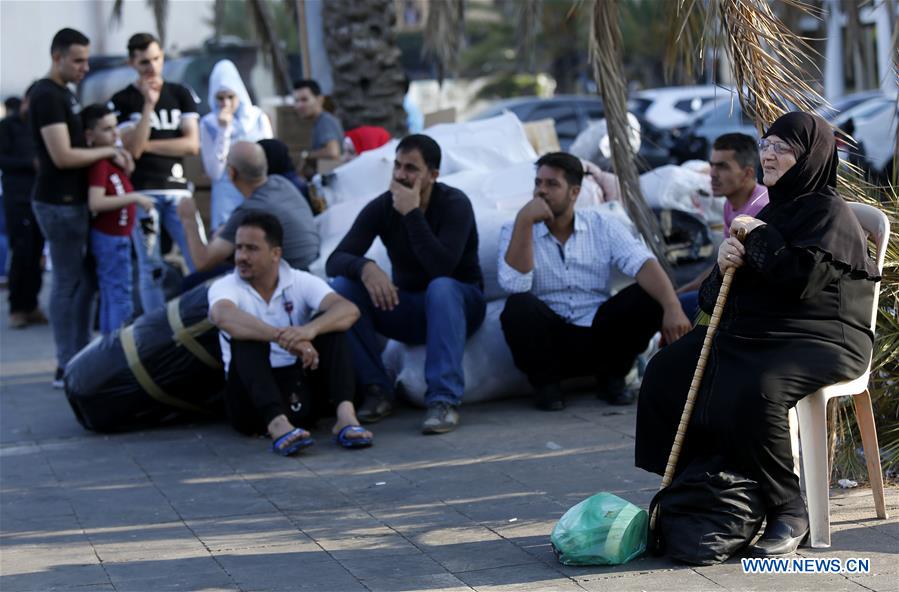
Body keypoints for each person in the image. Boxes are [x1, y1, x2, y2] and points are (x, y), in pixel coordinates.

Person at [635, 112, 879, 557]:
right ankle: (703, 480)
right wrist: (726, 260)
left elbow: (800, 282)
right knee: (668, 370)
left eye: (782, 148)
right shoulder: (770, 210)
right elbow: (715, 299)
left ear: (810, 157)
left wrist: (759, 239)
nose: (768, 152)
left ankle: (789, 508)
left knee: (759, 387)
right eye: (766, 142)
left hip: (825, 338)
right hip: (761, 334)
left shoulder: (829, 212)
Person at [498, 152, 691, 411]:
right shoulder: (515, 230)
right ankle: (546, 386)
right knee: (517, 306)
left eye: (552, 184)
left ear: (574, 192)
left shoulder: (602, 225)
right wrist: (524, 221)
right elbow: (514, 285)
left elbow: (642, 262)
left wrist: (672, 306)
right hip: (551, 341)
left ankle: (612, 379)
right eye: (538, 183)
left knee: (646, 297)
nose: (541, 191)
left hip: (600, 335)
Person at [326, 134, 485, 434]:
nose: (400, 175)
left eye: (411, 168)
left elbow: (442, 267)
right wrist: (365, 267)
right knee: (342, 289)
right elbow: (335, 259)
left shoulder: (455, 204)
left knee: (441, 287)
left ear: (433, 176)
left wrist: (412, 213)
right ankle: (377, 390)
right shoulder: (385, 206)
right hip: (410, 308)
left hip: (460, 305)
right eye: (397, 166)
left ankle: (443, 400)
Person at [208, 211, 370, 454]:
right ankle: (278, 425)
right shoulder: (225, 286)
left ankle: (346, 417)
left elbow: (348, 310)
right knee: (245, 337)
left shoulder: (300, 280)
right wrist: (282, 337)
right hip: (251, 400)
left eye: (251, 249)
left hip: (299, 386)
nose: (241, 256)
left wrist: (308, 331)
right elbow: (222, 315)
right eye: (239, 248)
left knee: (332, 327)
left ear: (276, 254)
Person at [30, 28, 129, 387]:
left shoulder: (64, 93)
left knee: (83, 282)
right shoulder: (47, 96)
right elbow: (63, 155)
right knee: (68, 284)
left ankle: (78, 357)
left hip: (73, 205)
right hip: (59, 206)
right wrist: (108, 151)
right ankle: (66, 364)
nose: (85, 67)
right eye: (78, 60)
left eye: (87, 59)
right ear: (57, 57)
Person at [110, 32, 202, 315]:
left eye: (156, 59)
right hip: (144, 196)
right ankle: (156, 328)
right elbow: (133, 151)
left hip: (178, 192)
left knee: (198, 257)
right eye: (144, 63)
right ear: (132, 63)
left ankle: (203, 315)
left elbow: (191, 144)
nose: (151, 67)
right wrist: (148, 105)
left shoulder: (180, 93)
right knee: (151, 266)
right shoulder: (123, 100)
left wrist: (146, 143)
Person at [177, 141, 319, 275]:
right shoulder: (281, 183)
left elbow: (202, 262)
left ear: (232, 173)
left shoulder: (251, 211)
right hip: (309, 270)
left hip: (283, 284)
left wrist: (189, 219)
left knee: (190, 291)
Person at [677, 133, 769, 319]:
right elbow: (721, 263)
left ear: (748, 174)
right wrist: (684, 289)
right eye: (711, 165)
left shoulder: (760, 209)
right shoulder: (730, 204)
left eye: (722, 167)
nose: (712, 174)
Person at [82, 104, 155, 334]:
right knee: (119, 296)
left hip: (118, 236)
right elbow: (96, 202)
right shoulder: (99, 164)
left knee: (114, 293)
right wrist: (133, 197)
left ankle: (110, 344)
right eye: (107, 130)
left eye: (115, 127)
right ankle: (117, 351)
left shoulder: (111, 159)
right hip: (110, 238)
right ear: (90, 135)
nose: (115, 134)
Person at [201, 59, 273, 230]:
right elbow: (214, 171)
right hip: (226, 196)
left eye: (230, 96)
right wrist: (223, 132)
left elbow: (269, 155)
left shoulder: (256, 117)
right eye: (220, 98)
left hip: (256, 191)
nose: (225, 103)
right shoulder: (209, 124)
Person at [0, 87, 47, 329]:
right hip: (17, 199)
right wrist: (29, 164)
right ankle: (17, 307)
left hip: (40, 198)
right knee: (21, 253)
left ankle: (32, 305)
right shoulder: (8, 126)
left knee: (38, 254)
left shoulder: (40, 126)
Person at [293, 79, 344, 175]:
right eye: (296, 101)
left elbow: (333, 153)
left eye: (304, 100)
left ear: (320, 99)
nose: (299, 105)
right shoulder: (319, 122)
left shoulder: (325, 121)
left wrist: (307, 156)